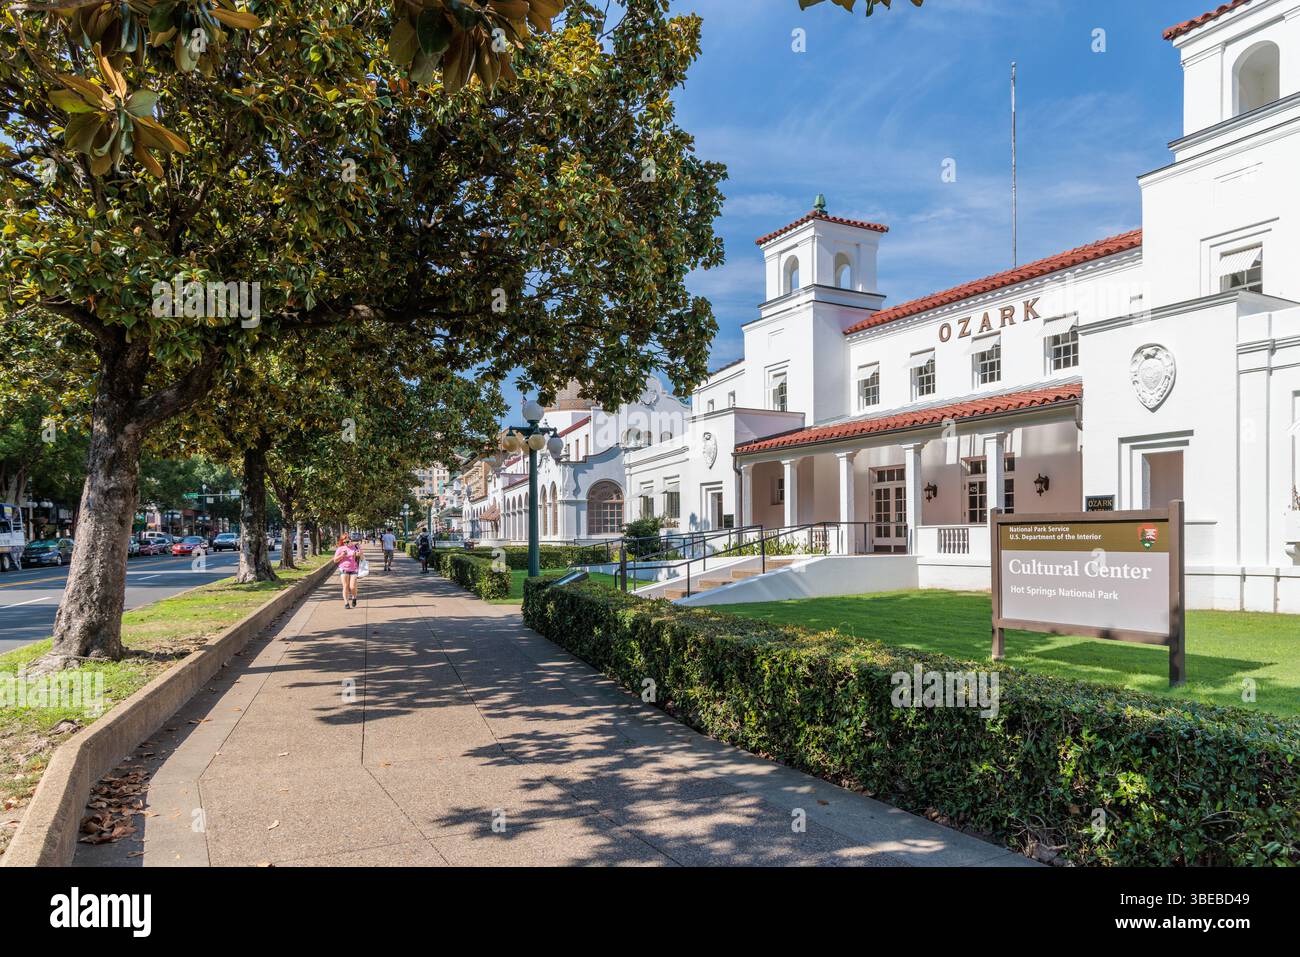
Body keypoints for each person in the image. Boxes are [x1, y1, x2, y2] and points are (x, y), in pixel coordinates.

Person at [333, 533, 362, 609]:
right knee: (345, 586)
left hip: (354, 569)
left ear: (350, 540)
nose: (346, 543)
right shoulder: (340, 549)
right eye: (344, 542)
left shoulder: (356, 547)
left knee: (352, 587)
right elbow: (335, 560)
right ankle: (346, 603)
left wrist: (359, 554)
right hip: (343, 569)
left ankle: (354, 597)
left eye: (347, 541)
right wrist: (342, 555)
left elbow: (362, 557)